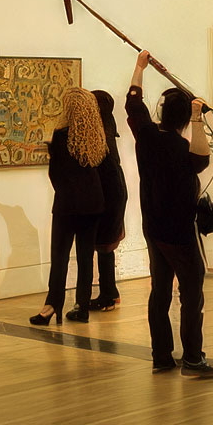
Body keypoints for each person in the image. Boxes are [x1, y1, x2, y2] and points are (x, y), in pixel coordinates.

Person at [126, 50, 213, 379]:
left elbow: (133, 103)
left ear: (162, 113)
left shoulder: (147, 138)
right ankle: (193, 359)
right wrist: (198, 115)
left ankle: (161, 357)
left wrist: (140, 68)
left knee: (160, 292)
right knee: (192, 295)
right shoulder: (183, 152)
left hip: (153, 229)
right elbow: (203, 157)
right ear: (183, 119)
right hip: (180, 233)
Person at [30, 87, 107, 326]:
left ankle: (52, 305)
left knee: (60, 257)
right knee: (85, 257)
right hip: (94, 203)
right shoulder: (97, 136)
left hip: (68, 204)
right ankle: (81, 306)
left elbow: (57, 175)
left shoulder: (62, 136)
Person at [89, 90, 128, 312]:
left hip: (109, 192)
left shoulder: (101, 129)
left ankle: (108, 295)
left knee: (104, 245)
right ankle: (109, 293)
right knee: (105, 246)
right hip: (112, 189)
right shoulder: (107, 126)